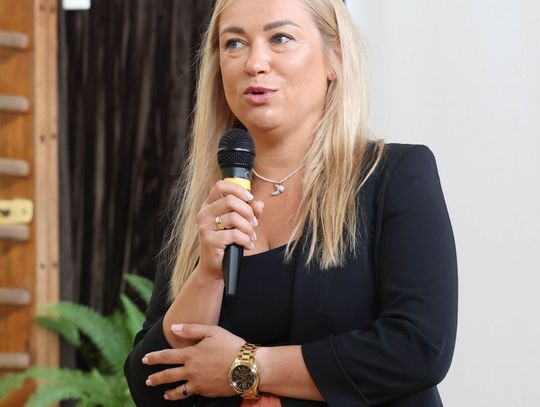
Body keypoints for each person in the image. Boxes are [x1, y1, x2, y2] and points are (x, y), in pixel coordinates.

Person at [124, 0, 458, 406]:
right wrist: (208, 273)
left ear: (335, 58)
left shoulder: (395, 176)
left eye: (280, 38)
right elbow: (151, 385)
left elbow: (418, 348)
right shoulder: (202, 202)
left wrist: (247, 367)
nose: (254, 63)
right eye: (234, 43)